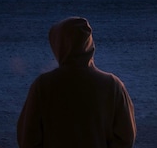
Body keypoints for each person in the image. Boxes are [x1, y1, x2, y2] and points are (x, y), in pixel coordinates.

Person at [17, 17, 136, 148]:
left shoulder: (43, 85)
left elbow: (28, 138)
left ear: (60, 45)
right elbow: (125, 138)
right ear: (89, 45)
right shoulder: (112, 85)